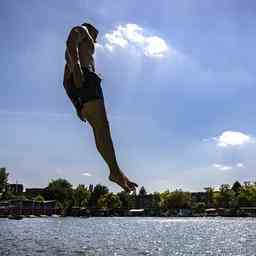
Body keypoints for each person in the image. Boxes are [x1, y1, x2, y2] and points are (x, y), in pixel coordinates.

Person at [63, 22, 138, 193]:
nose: (96, 41)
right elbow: (70, 42)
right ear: (92, 30)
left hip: (84, 81)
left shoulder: (83, 55)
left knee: (101, 129)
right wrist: (77, 70)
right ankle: (115, 171)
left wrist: (76, 104)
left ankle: (116, 171)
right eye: (95, 36)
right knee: (102, 129)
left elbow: (64, 82)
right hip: (85, 78)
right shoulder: (82, 30)